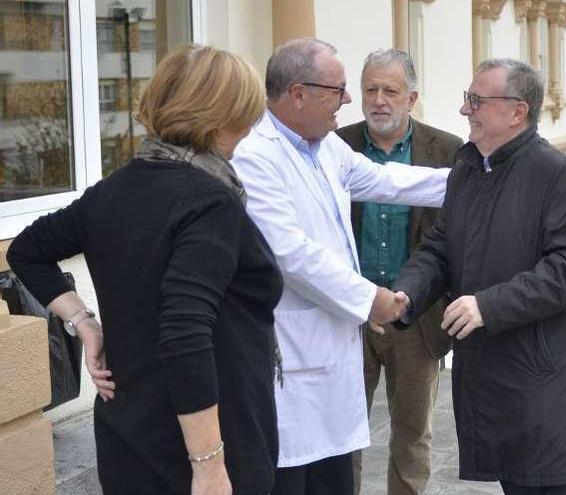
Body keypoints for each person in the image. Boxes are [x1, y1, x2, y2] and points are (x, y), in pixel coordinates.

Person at [7, 45, 281, 495]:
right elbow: (185, 329)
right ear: (221, 116)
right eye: (247, 115)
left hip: (129, 436)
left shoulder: (113, 190)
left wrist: (84, 323)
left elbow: (27, 250)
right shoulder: (210, 202)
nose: (251, 128)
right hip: (205, 445)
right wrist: (209, 466)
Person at [230, 38, 449, 495]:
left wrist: (482, 180)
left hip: (331, 354)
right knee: (295, 477)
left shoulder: (325, 147)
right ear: (298, 94)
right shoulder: (256, 155)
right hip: (293, 357)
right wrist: (372, 300)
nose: (351, 101)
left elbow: (387, 181)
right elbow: (290, 253)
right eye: (340, 89)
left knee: (337, 471)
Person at [392, 58, 566, 495]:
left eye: (476, 100)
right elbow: (440, 246)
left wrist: (487, 305)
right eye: (467, 99)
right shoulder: (469, 169)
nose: (464, 110)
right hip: (495, 378)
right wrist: (405, 293)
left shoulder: (558, 174)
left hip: (544, 386)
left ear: (517, 112)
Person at [336, 49, 463, 495]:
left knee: (411, 435)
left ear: (412, 98)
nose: (379, 100)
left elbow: (456, 236)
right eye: (370, 89)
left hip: (415, 319)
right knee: (340, 437)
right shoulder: (336, 146)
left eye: (390, 91)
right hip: (348, 316)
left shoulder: (447, 151)